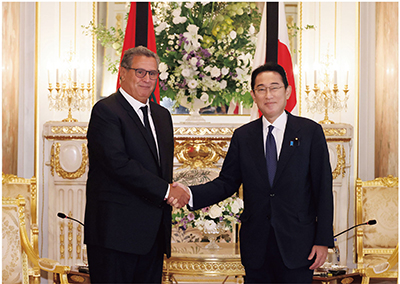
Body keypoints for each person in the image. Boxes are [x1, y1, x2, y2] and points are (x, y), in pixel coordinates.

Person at [170, 62, 334, 283]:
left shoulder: (310, 132)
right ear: (253, 95)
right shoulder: (243, 136)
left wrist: (322, 240)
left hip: (298, 245)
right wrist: (190, 193)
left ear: (287, 91)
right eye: (261, 89)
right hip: (257, 246)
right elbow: (227, 183)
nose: (269, 95)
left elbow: (323, 189)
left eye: (274, 87)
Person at [84, 46, 189, 283]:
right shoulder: (106, 111)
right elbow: (118, 164)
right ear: (123, 72)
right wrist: (167, 191)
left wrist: (173, 190)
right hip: (115, 235)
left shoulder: (162, 116)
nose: (147, 79)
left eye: (153, 74)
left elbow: (161, 169)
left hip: (152, 236)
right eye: (140, 72)